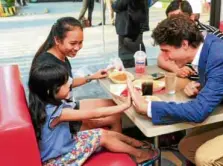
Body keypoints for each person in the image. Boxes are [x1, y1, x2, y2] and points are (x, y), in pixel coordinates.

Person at [127, 14, 223, 166]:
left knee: (205, 158)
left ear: (184, 44)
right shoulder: (206, 46)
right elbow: (222, 80)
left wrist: (149, 108)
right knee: (187, 146)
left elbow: (199, 112)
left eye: (166, 51)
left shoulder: (221, 58)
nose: (165, 57)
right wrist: (203, 86)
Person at [28, 63, 160, 165]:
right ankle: (139, 154)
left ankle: (136, 143)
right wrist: (124, 106)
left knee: (103, 133)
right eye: (64, 84)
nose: (69, 84)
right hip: (58, 160)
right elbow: (95, 113)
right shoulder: (56, 113)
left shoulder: (44, 104)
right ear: (50, 91)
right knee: (103, 137)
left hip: (64, 145)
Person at [30, 17, 122, 134]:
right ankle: (118, 149)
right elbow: (55, 110)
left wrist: (91, 77)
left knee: (114, 104)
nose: (77, 48)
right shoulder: (48, 65)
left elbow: (67, 83)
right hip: (58, 122)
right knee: (114, 117)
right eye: (73, 43)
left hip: (68, 107)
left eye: (80, 42)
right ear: (57, 40)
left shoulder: (60, 55)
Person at [158, 0, 223, 78]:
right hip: (181, 79)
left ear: (192, 17)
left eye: (179, 19)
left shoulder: (213, 34)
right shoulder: (173, 33)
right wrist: (177, 70)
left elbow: (218, 67)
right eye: (170, 21)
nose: (174, 25)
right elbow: (162, 58)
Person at [113, 0, 149, 68]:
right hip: (130, 26)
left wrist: (115, 4)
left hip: (130, 27)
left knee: (131, 57)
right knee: (136, 54)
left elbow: (117, 6)